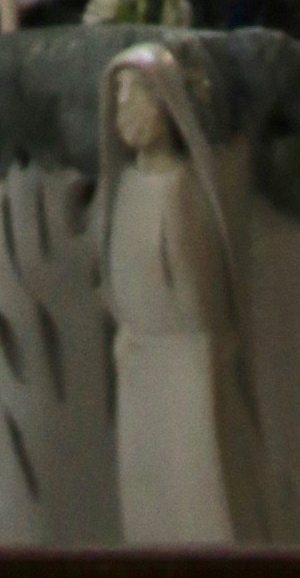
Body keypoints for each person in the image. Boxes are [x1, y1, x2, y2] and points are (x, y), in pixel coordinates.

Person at [102, 47, 266, 541]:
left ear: (166, 105)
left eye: (135, 97)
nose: (123, 112)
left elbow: (198, 294)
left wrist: (196, 357)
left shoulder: (181, 188)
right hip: (140, 361)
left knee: (195, 485)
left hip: (185, 366)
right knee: (148, 492)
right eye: (118, 98)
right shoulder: (128, 184)